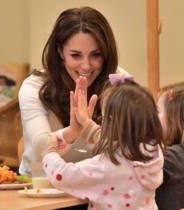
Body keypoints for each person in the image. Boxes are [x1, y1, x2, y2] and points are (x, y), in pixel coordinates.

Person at [18, 6, 128, 175]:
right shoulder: (33, 86)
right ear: (60, 52)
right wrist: (73, 131)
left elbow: (132, 140)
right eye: (76, 55)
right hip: (41, 186)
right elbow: (41, 145)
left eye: (96, 55)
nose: (86, 65)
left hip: (100, 187)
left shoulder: (118, 81)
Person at [41, 76, 164, 209]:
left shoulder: (106, 166)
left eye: (104, 118)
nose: (102, 123)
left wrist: (49, 152)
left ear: (111, 122)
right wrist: (87, 125)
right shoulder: (153, 151)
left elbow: (62, 175)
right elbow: (116, 142)